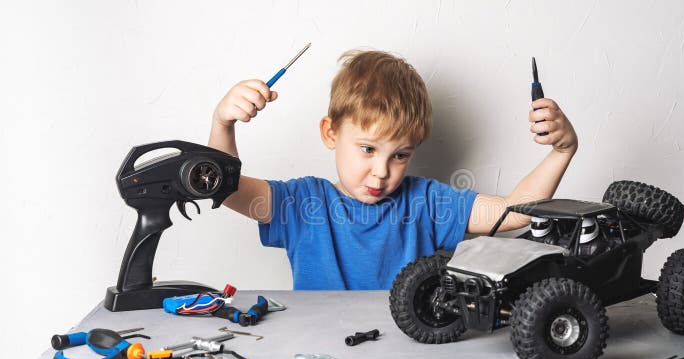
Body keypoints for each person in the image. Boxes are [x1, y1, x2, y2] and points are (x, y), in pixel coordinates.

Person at [207, 50, 578, 289]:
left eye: (400, 155)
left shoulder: (426, 202)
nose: (381, 172)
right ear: (330, 132)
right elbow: (224, 188)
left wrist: (562, 151)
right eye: (368, 149)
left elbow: (515, 212)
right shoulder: (302, 203)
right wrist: (222, 124)